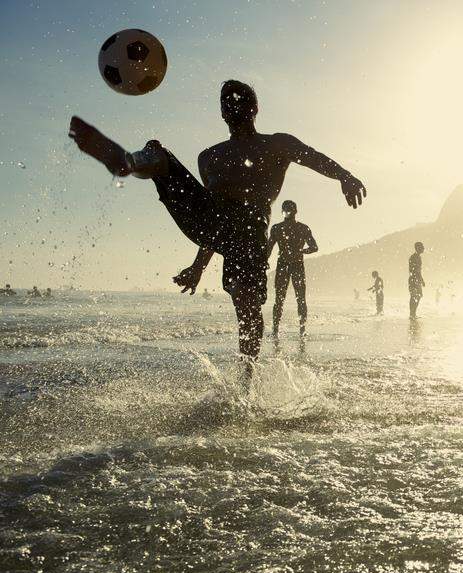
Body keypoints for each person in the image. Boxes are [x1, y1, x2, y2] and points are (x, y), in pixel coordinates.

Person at [68, 80, 365, 368]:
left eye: (241, 100)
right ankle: (128, 162)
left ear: (255, 108)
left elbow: (314, 158)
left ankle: (246, 383)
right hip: (210, 219)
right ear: (222, 113)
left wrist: (345, 176)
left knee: (247, 307)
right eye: (228, 103)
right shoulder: (210, 157)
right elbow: (215, 221)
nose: (234, 106)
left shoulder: (278, 144)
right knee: (157, 152)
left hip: (249, 233)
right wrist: (199, 265)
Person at [267, 200, 318, 338]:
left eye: (288, 209)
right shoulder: (301, 228)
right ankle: (300, 330)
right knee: (298, 299)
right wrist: (300, 250)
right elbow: (313, 247)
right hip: (293, 265)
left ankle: (277, 330)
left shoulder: (278, 228)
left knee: (282, 299)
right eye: (287, 209)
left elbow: (268, 250)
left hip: (288, 264)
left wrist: (299, 251)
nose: (288, 212)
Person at [408, 242, 425, 319]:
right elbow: (413, 270)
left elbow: (418, 270)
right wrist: (417, 279)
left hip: (417, 279)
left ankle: (413, 313)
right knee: (414, 296)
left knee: (418, 296)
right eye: (422, 247)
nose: (423, 248)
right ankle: (412, 314)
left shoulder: (418, 257)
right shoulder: (413, 257)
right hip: (413, 279)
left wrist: (421, 279)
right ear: (418, 248)